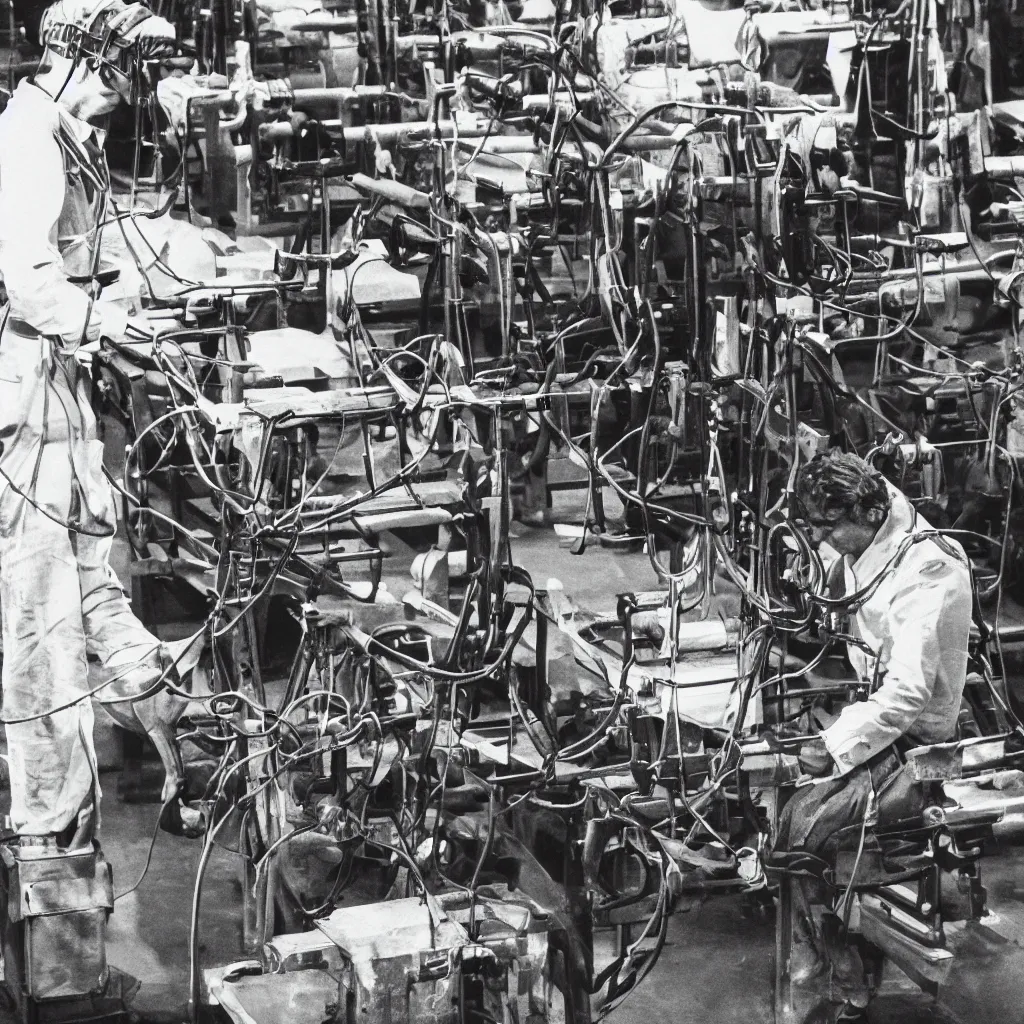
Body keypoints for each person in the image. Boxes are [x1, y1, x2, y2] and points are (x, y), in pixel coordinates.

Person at [0, 0, 177, 851]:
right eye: (116, 76)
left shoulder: (71, 135)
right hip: (26, 403)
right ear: (76, 60)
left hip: (60, 391)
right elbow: (32, 283)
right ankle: (46, 829)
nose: (121, 96)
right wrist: (111, 323)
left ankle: (177, 721)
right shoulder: (26, 141)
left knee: (91, 575)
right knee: (43, 621)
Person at [776, 449, 973, 1022]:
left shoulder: (927, 572)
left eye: (828, 529)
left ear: (865, 513)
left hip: (916, 736)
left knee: (802, 829)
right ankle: (826, 950)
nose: (821, 539)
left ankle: (840, 975)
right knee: (787, 807)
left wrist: (832, 745)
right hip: (877, 707)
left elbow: (908, 696)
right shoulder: (873, 506)